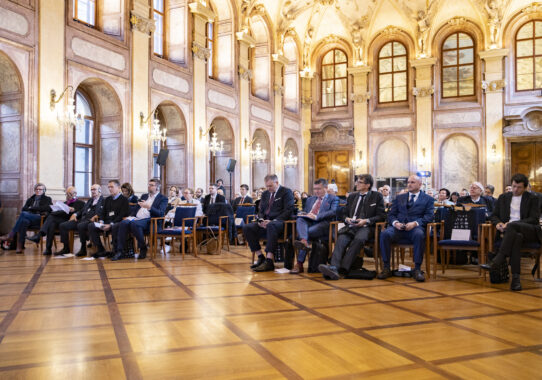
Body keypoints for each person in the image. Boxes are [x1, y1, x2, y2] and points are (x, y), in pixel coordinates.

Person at [481, 174, 542, 291]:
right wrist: (498, 223)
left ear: (525, 187)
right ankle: (515, 280)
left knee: (513, 225)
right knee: (517, 237)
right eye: (514, 186)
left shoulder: (533, 198)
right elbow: (493, 215)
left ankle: (497, 260)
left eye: (519, 187)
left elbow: (534, 219)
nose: (515, 189)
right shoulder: (503, 197)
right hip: (511, 234)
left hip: (529, 231)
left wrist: (513, 224)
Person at [319, 174, 385, 280]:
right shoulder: (352, 196)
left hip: (366, 227)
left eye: (360, 182)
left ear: (368, 185)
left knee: (359, 239)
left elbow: (382, 216)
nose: (356, 184)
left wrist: (366, 221)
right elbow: (344, 213)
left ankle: (343, 269)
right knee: (341, 239)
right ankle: (333, 268)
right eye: (357, 181)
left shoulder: (376, 196)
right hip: (351, 226)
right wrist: (347, 219)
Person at [378, 175, 434, 282]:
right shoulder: (400, 197)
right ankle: (386, 267)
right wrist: (395, 223)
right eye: (408, 182)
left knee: (419, 235)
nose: (409, 184)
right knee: (385, 234)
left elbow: (429, 216)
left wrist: (415, 223)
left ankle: (417, 269)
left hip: (415, 229)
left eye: (412, 182)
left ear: (420, 184)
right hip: (398, 228)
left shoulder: (428, 199)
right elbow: (391, 215)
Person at [243, 174, 295, 272]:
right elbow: (261, 210)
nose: (268, 188)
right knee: (247, 227)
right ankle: (260, 257)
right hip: (266, 222)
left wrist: (273, 221)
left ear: (277, 183)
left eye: (270, 186)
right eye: (267, 186)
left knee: (271, 225)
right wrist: (261, 220)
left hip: (280, 223)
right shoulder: (265, 194)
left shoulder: (286, 192)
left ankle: (269, 260)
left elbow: (288, 210)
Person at [112, 178, 168, 261]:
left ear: (157, 187)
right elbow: (136, 209)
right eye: (148, 185)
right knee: (122, 223)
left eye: (151, 185)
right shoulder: (144, 196)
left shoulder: (163, 198)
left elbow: (160, 213)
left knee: (134, 224)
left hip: (151, 221)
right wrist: (130, 216)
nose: (149, 186)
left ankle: (143, 247)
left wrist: (149, 207)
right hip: (137, 218)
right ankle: (120, 251)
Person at [292, 179, 339, 274]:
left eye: (319, 189)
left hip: (323, 224)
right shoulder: (310, 199)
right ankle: (305, 242)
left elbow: (333, 212)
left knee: (307, 233)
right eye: (315, 189)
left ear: (326, 188)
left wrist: (316, 216)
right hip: (309, 221)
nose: (316, 191)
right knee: (300, 219)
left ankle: (299, 263)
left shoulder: (333, 198)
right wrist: (303, 214)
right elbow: (305, 211)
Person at [27, 186, 84, 255]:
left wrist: (73, 210)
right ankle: (48, 248)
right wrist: (55, 209)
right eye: (67, 194)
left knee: (51, 220)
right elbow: (60, 212)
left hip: (71, 221)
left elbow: (81, 212)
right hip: (62, 219)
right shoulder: (65, 203)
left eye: (70, 194)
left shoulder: (80, 203)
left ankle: (42, 238)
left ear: (75, 194)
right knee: (51, 222)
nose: (68, 196)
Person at [0, 183, 52, 253]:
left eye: (40, 189)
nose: (38, 191)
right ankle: (20, 246)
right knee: (24, 221)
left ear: (44, 191)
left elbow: (48, 208)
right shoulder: (30, 199)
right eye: (36, 189)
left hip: (40, 219)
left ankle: (11, 235)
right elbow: (24, 209)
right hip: (29, 218)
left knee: (24, 214)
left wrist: (32, 208)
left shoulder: (47, 199)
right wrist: (32, 209)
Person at [57, 184, 104, 257]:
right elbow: (82, 210)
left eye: (94, 189)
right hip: (83, 219)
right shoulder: (90, 200)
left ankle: (83, 248)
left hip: (93, 221)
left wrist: (97, 216)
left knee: (80, 225)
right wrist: (75, 214)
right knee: (63, 225)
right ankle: (66, 248)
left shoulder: (104, 200)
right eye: (91, 190)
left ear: (99, 190)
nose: (92, 191)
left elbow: (104, 211)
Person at [88, 180, 130, 258]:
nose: (110, 189)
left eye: (112, 187)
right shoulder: (107, 199)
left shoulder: (124, 200)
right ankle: (101, 250)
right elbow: (102, 213)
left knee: (115, 227)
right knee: (91, 226)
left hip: (117, 223)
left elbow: (122, 215)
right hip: (105, 223)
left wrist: (110, 224)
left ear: (118, 188)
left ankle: (116, 251)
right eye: (109, 187)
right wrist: (101, 221)